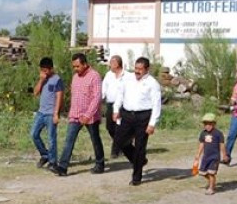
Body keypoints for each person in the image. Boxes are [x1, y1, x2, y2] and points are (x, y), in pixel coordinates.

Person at [53, 53, 105, 176]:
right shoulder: (75, 77)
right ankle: (62, 167)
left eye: (77, 66)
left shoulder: (94, 76)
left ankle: (100, 163)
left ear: (85, 64)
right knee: (69, 140)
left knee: (95, 140)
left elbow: (97, 97)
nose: (75, 69)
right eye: (74, 67)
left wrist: (87, 115)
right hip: (75, 114)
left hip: (90, 116)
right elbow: (74, 96)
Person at [112, 56, 161, 186]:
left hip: (143, 116)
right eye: (136, 68)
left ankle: (136, 177)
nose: (137, 71)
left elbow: (156, 105)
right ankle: (139, 160)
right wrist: (116, 109)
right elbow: (120, 94)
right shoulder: (127, 80)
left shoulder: (152, 83)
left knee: (140, 146)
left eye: (140, 69)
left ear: (147, 69)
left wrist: (152, 124)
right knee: (119, 141)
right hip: (127, 114)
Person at [30, 57, 64, 169]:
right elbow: (35, 93)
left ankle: (53, 161)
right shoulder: (43, 79)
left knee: (51, 138)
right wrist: (41, 80)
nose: (44, 72)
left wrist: (56, 114)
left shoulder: (57, 79)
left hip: (50, 114)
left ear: (51, 69)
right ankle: (45, 155)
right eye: (42, 70)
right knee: (34, 134)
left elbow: (59, 97)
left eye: (46, 70)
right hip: (41, 112)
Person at [100, 55, 128, 158]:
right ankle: (123, 144)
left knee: (119, 127)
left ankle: (115, 150)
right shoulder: (108, 75)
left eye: (112, 63)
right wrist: (100, 99)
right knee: (110, 127)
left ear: (117, 64)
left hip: (122, 105)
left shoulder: (127, 76)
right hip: (110, 104)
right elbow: (104, 88)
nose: (110, 65)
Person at [193, 112, 226, 195]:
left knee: (211, 173)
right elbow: (201, 144)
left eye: (209, 123)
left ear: (214, 124)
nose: (207, 125)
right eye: (205, 123)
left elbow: (222, 145)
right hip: (206, 157)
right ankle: (212, 182)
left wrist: (224, 155)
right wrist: (198, 155)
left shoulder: (218, 133)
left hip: (214, 157)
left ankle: (211, 188)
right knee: (202, 173)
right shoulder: (203, 133)